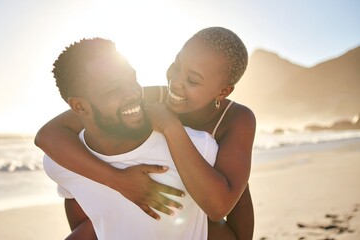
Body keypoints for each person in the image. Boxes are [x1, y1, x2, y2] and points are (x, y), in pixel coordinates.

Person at [36, 27, 255, 239]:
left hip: (214, 205)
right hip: (170, 213)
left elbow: (220, 206)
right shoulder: (148, 96)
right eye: (177, 65)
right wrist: (118, 181)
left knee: (238, 181)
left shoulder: (236, 119)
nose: (176, 82)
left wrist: (170, 127)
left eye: (193, 80)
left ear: (223, 91)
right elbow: (48, 135)